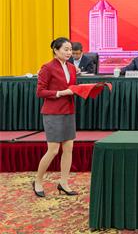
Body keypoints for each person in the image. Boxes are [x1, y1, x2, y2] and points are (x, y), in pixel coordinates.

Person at [34, 37, 79, 197]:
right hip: (53, 112)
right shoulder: (47, 67)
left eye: (70, 49)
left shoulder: (72, 68)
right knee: (53, 150)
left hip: (68, 110)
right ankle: (38, 181)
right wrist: (60, 93)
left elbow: (71, 87)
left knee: (68, 149)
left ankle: (63, 183)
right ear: (56, 50)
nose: (69, 52)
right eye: (66, 49)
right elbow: (40, 92)